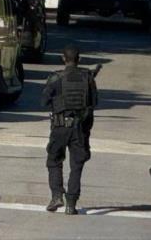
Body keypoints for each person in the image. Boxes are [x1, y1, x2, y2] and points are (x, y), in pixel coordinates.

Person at [41, 45, 100, 215]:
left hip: (59, 127)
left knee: (54, 161)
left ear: (63, 58)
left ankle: (57, 195)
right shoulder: (87, 78)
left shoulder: (55, 78)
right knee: (77, 165)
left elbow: (43, 102)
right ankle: (71, 204)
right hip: (79, 127)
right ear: (79, 59)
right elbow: (93, 103)